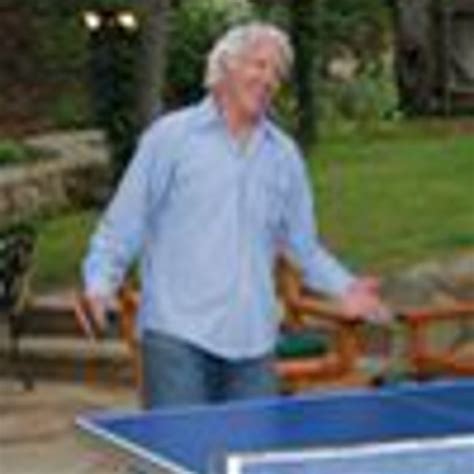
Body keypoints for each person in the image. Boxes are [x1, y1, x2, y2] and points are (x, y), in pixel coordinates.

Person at [82, 22, 390, 408]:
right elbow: (124, 224)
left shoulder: (284, 155)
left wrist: (345, 287)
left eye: (277, 72)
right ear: (225, 66)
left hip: (254, 344)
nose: (269, 79)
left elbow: (303, 246)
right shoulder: (170, 139)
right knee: (181, 449)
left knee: (252, 450)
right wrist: (99, 284)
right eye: (259, 65)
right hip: (178, 338)